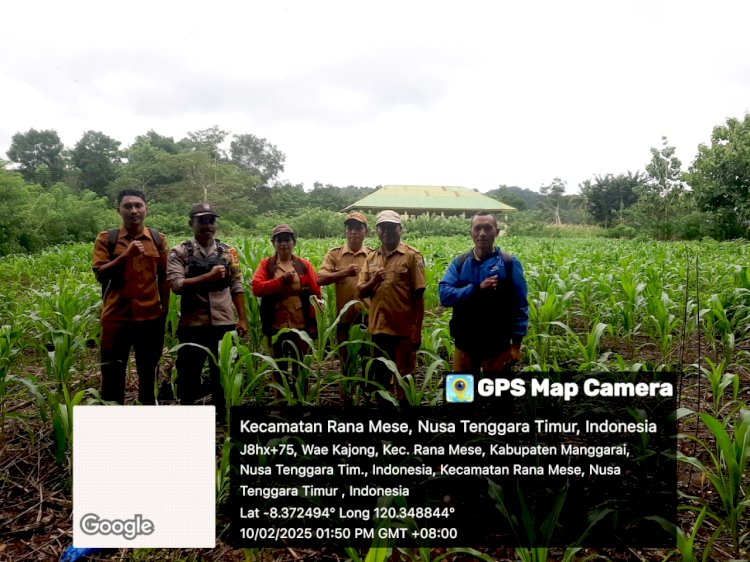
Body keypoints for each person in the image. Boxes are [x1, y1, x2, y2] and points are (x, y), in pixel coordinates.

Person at [167, 203, 247, 419]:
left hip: (224, 323)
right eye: (201, 220)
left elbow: (237, 286)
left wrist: (242, 319)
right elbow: (175, 285)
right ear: (190, 223)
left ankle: (223, 418)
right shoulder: (179, 252)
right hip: (193, 325)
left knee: (223, 373)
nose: (207, 225)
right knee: (188, 375)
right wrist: (207, 277)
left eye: (211, 220)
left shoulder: (230, 252)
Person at [92, 189, 169, 405]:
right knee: (112, 375)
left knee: (149, 373)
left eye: (138, 205)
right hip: (116, 318)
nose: (133, 210)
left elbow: (164, 277)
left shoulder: (157, 239)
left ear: (146, 209)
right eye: (127, 206)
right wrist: (125, 256)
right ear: (119, 210)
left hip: (150, 319)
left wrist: (165, 308)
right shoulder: (107, 238)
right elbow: (100, 273)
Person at [438, 211, 528, 376]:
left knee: (497, 398)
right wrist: (476, 289)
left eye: (488, 228)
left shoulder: (509, 263)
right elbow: (445, 295)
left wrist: (516, 345)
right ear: (470, 232)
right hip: (464, 343)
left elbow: (520, 305)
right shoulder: (459, 263)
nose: (482, 233)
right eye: (477, 228)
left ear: (497, 232)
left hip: (498, 344)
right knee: (460, 396)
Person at [358, 210, 425, 400]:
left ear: (400, 229)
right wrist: (374, 281)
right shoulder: (371, 258)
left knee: (404, 377)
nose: (387, 231)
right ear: (377, 230)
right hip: (378, 329)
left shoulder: (412, 256)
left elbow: (419, 296)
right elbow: (361, 291)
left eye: (391, 227)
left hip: (403, 330)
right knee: (381, 378)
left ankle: (404, 418)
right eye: (382, 227)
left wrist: (416, 331)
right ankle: (385, 419)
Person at [251, 224, 321, 394]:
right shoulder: (267, 265)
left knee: (300, 364)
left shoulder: (303, 265)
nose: (284, 244)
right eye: (279, 240)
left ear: (294, 242)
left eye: (287, 240)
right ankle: (281, 401)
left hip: (300, 323)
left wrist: (314, 323)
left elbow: (315, 293)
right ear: (273, 243)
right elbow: (257, 288)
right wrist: (281, 281)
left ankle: (301, 400)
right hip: (276, 323)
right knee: (278, 365)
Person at [317, 212, 373, 403]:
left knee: (368, 361)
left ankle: (366, 400)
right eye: (350, 228)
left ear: (365, 231)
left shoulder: (373, 254)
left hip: (368, 318)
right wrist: (344, 273)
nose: (354, 232)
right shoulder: (335, 254)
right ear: (345, 231)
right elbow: (321, 278)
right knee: (345, 363)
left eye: (358, 228)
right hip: (344, 320)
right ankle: (346, 402)